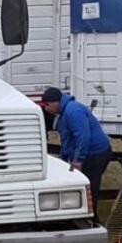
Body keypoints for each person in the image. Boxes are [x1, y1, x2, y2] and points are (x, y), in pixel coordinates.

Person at [42, 87, 112, 215]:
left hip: (96, 153)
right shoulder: (62, 114)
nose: (46, 109)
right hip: (87, 153)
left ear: (56, 102)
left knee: (89, 186)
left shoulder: (73, 111)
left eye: (47, 105)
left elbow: (83, 137)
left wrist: (78, 160)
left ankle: (92, 218)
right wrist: (63, 160)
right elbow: (66, 139)